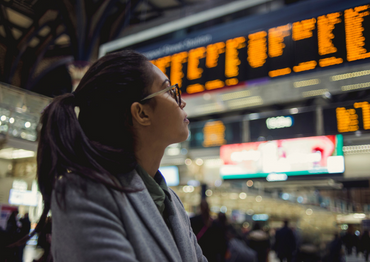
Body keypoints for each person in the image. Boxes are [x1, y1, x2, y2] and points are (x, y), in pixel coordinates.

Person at [34, 50, 207, 261]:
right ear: (141, 113)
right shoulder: (83, 192)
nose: (182, 103)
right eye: (169, 91)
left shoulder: (173, 203)